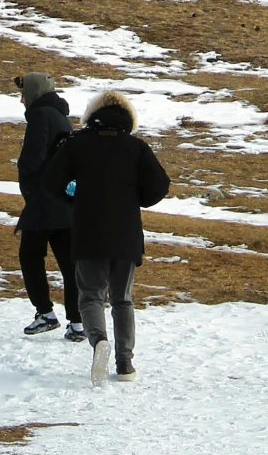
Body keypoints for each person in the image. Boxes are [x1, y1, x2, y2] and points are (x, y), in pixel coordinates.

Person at [43, 91, 170, 386]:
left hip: (88, 232)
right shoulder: (136, 148)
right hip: (126, 233)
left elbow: (50, 182)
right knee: (123, 300)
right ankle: (125, 363)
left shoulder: (77, 146)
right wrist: (133, 199)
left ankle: (99, 340)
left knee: (90, 296)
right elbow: (159, 187)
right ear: (128, 118)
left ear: (91, 116)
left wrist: (74, 200)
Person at [13, 72, 83, 339]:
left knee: (30, 256)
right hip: (65, 203)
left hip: (44, 203)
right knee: (69, 263)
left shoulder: (41, 115)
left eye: (23, 94)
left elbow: (33, 159)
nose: (21, 101)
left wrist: (30, 191)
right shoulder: (59, 115)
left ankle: (45, 313)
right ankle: (77, 323)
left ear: (34, 94)